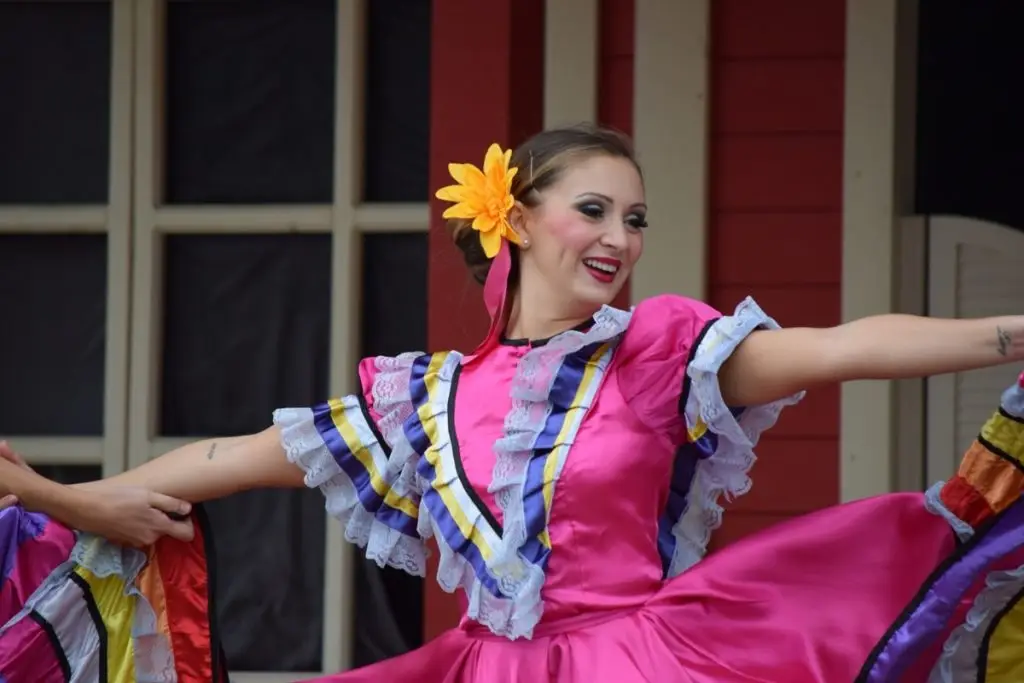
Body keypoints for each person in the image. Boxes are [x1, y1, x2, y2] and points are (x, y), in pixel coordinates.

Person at [2, 124, 1024, 682]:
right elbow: (228, 456)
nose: (620, 236)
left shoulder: (657, 353)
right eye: (594, 209)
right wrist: (61, 494)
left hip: (642, 660)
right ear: (517, 221)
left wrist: (1008, 333)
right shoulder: (422, 401)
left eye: (635, 217)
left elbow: (842, 346)